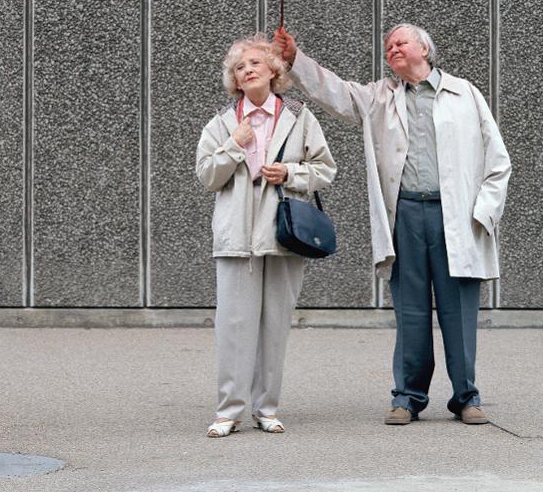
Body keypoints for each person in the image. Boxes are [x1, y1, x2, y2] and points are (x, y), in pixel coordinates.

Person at [273, 24, 510, 426]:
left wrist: (482, 213)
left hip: (456, 217)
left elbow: (498, 160)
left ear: (425, 48)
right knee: (411, 311)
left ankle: (466, 396)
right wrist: (295, 60)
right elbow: (336, 93)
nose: (393, 49)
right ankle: (408, 397)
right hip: (405, 216)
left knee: (459, 312)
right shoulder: (380, 96)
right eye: (388, 46)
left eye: (401, 42)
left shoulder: (464, 93)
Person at [196, 32, 337, 438]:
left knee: (276, 324)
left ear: (273, 71)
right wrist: (234, 146)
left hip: (282, 235)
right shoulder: (222, 123)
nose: (247, 70)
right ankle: (229, 410)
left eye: (255, 63)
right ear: (235, 81)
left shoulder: (298, 117)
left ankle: (267, 407)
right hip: (236, 237)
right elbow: (207, 176)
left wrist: (291, 173)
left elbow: (325, 169)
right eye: (240, 68)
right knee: (234, 326)